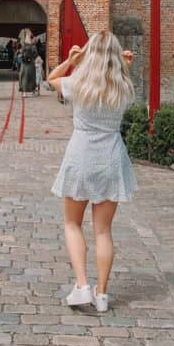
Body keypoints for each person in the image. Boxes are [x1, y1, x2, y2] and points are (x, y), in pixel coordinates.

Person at [47, 32, 135, 313]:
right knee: (103, 231)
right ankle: (102, 294)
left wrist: (72, 61)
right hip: (111, 156)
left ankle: (82, 285)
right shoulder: (124, 87)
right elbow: (115, 75)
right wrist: (122, 65)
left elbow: (51, 80)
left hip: (81, 155)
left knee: (72, 223)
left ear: (89, 54)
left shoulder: (77, 85)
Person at [18, 28, 38, 97]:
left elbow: (20, 54)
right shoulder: (33, 46)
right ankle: (33, 91)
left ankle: (24, 92)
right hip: (30, 63)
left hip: (24, 64)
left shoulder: (23, 46)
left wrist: (21, 56)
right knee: (31, 77)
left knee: (24, 77)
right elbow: (36, 55)